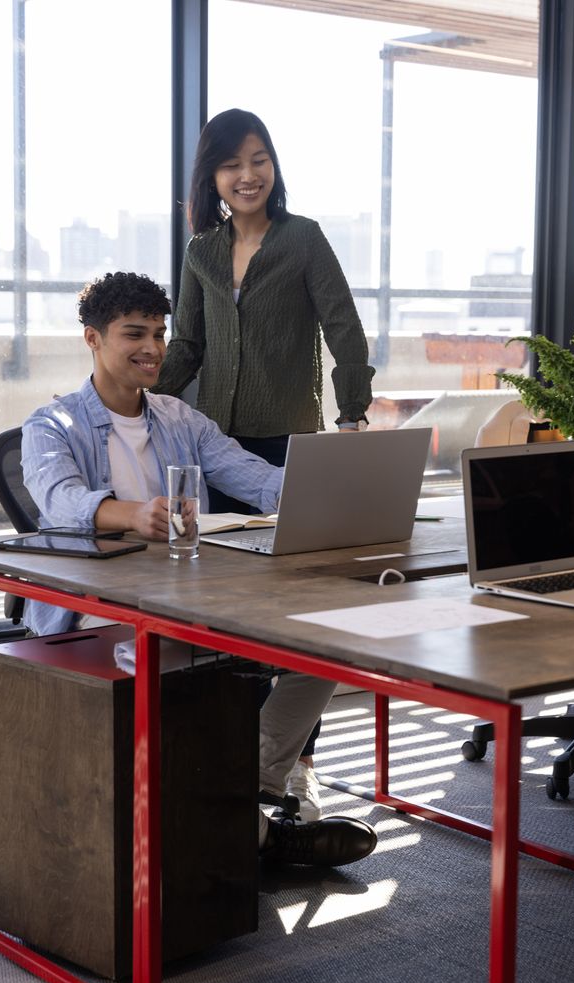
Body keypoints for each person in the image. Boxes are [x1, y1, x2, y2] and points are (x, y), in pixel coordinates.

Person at [20, 270, 377, 870]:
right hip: (101, 618)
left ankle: (247, 793)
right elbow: (57, 502)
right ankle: (257, 833)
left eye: (160, 333)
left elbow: (253, 477)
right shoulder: (51, 426)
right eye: (135, 333)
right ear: (93, 339)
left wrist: (334, 490)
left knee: (327, 644)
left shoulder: (180, 420)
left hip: (191, 602)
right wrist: (135, 515)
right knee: (182, 682)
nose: (153, 349)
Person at [155, 108, 376, 819]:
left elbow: (346, 330)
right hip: (216, 448)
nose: (247, 175)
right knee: (233, 611)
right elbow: (187, 343)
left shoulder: (303, 240)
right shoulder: (201, 253)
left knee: (299, 613)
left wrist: (351, 416)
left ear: (273, 166)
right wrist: (141, 402)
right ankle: (242, 762)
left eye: (259, 159)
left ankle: (297, 765)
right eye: (231, 164)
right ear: (212, 178)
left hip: (288, 445)